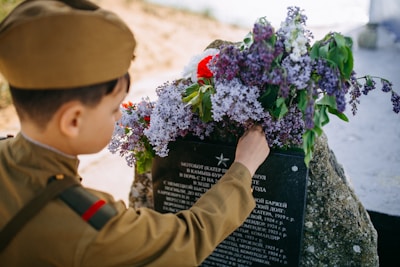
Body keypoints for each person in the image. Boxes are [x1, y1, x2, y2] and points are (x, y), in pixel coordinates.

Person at [0, 0, 270, 266]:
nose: (119, 116)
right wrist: (242, 168)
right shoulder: (89, 229)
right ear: (73, 121)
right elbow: (186, 240)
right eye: (114, 108)